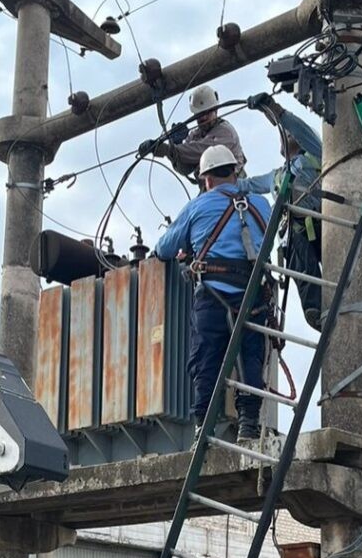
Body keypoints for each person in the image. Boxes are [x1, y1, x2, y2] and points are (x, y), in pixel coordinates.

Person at [154, 144, 272, 442]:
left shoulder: (199, 206)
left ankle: (203, 425)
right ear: (236, 172)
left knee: (206, 360)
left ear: (204, 179)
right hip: (254, 296)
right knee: (251, 357)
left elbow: (164, 249)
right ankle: (248, 424)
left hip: (213, 293)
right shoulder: (261, 204)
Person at [237, 93, 324, 329]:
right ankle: (315, 310)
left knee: (339, 265)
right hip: (297, 233)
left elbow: (301, 129)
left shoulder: (315, 155)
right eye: (284, 135)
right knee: (297, 254)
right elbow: (246, 186)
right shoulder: (276, 176)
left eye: (289, 134)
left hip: (323, 225)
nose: (287, 136)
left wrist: (276, 111)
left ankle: (345, 299)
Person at [139, 85, 247, 184]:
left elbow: (200, 151)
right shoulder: (196, 135)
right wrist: (177, 143)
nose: (203, 118)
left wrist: (168, 149)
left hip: (234, 186)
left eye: (207, 113)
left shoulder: (225, 132)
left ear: (216, 110)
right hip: (210, 189)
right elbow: (185, 168)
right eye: (199, 114)